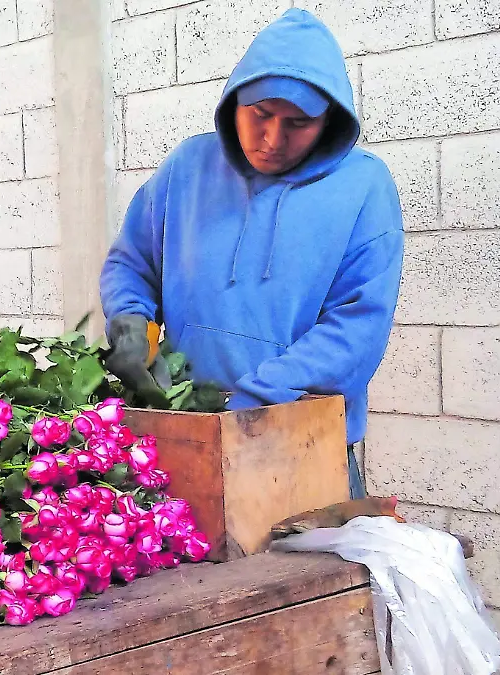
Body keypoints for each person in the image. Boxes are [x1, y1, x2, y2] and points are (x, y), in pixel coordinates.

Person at [100, 8, 404, 500]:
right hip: (184, 440)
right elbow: (131, 264)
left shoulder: (364, 187)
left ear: (328, 121)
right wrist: (131, 320)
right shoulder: (187, 169)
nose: (273, 139)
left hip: (299, 446)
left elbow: (358, 326)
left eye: (298, 124)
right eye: (260, 115)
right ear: (234, 101)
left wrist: (254, 401)